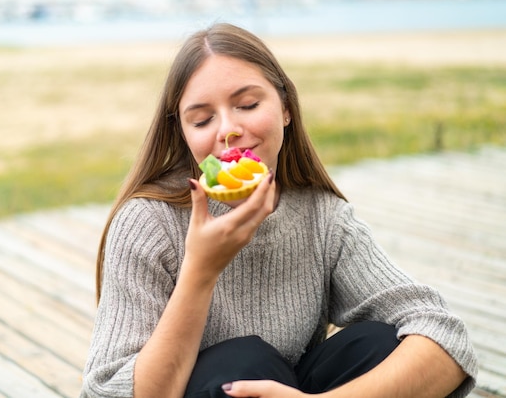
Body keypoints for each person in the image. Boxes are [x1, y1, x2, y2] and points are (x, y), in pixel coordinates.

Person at [79, 23, 478, 398]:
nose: (227, 130)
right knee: (244, 362)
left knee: (380, 342)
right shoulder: (148, 221)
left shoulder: (323, 219)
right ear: (183, 134)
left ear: (286, 108)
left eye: (248, 104)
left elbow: (445, 337)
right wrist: (201, 270)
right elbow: (105, 390)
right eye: (201, 119)